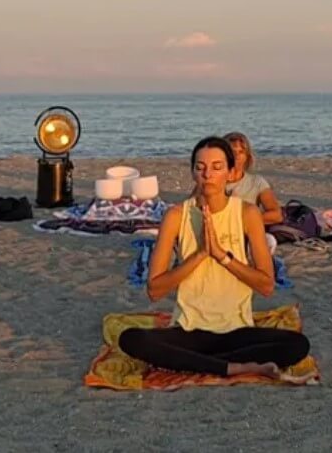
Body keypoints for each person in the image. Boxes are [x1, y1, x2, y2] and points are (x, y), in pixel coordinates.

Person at [118, 136, 310, 380]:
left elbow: (267, 286)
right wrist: (199, 255)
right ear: (193, 173)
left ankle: (203, 364)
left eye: (217, 167)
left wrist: (222, 257)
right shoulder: (176, 215)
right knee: (131, 339)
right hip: (189, 331)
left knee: (297, 345)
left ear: (231, 173)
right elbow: (154, 290)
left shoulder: (247, 213)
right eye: (200, 168)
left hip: (237, 331)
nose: (208, 174)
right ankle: (234, 367)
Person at [223, 132, 283, 225]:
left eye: (241, 152)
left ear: (247, 156)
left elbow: (276, 215)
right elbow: (193, 208)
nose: (236, 156)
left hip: (247, 230)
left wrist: (241, 221)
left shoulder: (256, 182)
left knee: (269, 239)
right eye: (232, 152)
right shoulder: (212, 180)